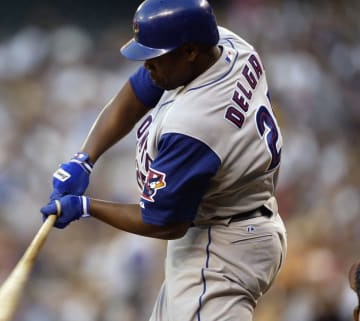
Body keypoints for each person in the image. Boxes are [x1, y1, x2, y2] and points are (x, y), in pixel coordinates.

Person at [41, 0, 287, 320]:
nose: (147, 66)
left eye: (155, 57)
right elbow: (137, 92)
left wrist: (86, 207)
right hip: (230, 227)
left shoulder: (196, 123)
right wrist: (84, 158)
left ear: (189, 50)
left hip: (223, 249)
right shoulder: (227, 45)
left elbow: (165, 222)